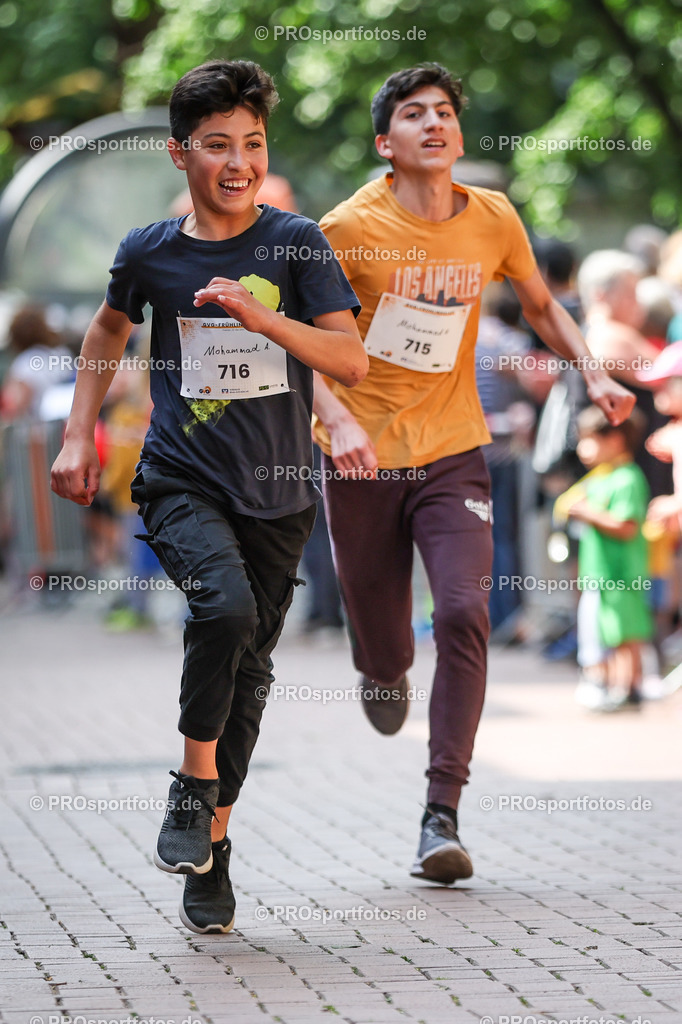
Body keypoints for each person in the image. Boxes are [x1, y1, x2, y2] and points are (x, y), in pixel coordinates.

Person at [51, 59, 366, 934]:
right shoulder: (149, 250)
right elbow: (110, 325)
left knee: (253, 674)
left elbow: (349, 360)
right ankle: (193, 787)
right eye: (217, 145)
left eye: (253, 144)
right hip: (182, 476)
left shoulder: (296, 241)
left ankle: (212, 847)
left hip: (280, 492)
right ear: (178, 153)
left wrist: (266, 319)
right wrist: (80, 429)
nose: (239, 161)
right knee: (220, 611)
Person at [312, 63, 634, 885]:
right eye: (414, 115)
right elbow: (295, 338)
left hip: (455, 450)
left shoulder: (491, 216)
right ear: (386, 143)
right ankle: (379, 667)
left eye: (446, 112)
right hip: (362, 459)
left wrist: (592, 371)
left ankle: (440, 813)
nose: (434, 124)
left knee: (462, 610)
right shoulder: (347, 228)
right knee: (387, 646)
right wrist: (338, 416)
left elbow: (539, 300)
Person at [568, 406, 652, 710]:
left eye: (588, 440)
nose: (582, 448)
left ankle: (629, 687)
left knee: (625, 633)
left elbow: (627, 526)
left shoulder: (627, 478)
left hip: (622, 574)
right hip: (600, 573)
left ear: (614, 440)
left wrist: (589, 513)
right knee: (607, 632)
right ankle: (613, 685)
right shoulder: (600, 478)